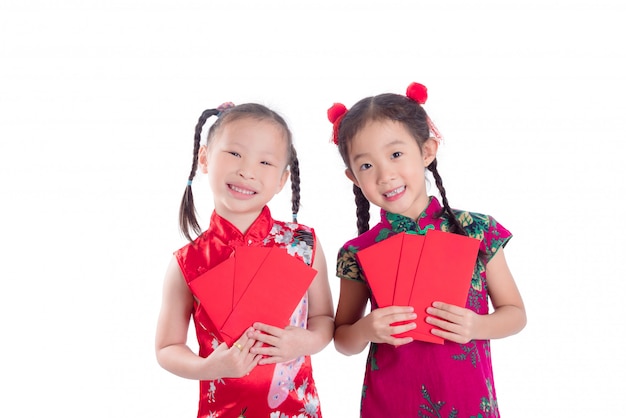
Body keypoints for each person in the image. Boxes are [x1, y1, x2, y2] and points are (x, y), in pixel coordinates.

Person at [327, 82, 526, 417]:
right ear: (352, 177)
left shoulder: (476, 230)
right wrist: (366, 329)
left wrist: (478, 326)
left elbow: (516, 314)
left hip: (467, 401)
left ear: (427, 151)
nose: (385, 175)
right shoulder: (357, 250)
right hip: (390, 403)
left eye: (395, 154)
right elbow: (343, 339)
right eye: (366, 166)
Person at [156, 102, 334, 418]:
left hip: (297, 410)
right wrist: (207, 367)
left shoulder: (304, 244)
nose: (247, 171)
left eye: (265, 161)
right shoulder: (187, 262)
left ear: (282, 180)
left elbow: (324, 320)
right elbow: (167, 348)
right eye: (235, 154)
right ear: (204, 157)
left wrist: (302, 342)